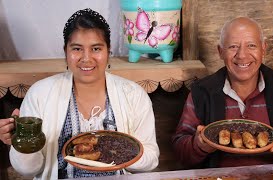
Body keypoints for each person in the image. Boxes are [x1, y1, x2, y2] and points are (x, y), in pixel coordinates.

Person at [0, 8, 159, 179]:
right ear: (65, 51)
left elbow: (151, 159)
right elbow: (28, 170)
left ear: (108, 51)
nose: (86, 58)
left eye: (96, 49)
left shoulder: (133, 95)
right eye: (77, 49)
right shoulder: (39, 94)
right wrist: (22, 144)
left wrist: (118, 149)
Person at [172, 17, 273, 168]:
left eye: (251, 45)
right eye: (233, 46)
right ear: (220, 51)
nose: (242, 55)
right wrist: (198, 145)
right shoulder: (201, 92)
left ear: (263, 49)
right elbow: (179, 149)